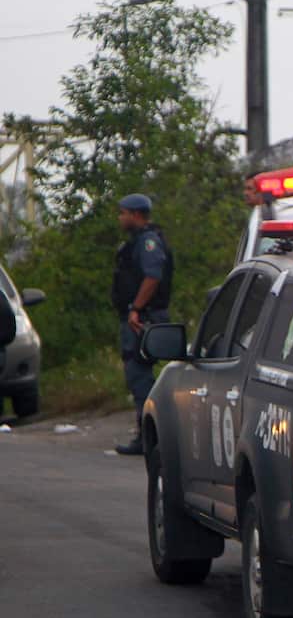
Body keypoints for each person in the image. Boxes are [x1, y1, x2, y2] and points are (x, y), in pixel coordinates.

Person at [111, 193, 174, 456]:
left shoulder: (148, 242)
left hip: (144, 318)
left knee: (139, 375)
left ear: (136, 214)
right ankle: (148, 434)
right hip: (140, 316)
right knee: (138, 373)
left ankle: (149, 436)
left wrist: (136, 309)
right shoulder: (138, 242)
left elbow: (153, 277)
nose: (120, 218)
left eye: (123, 213)